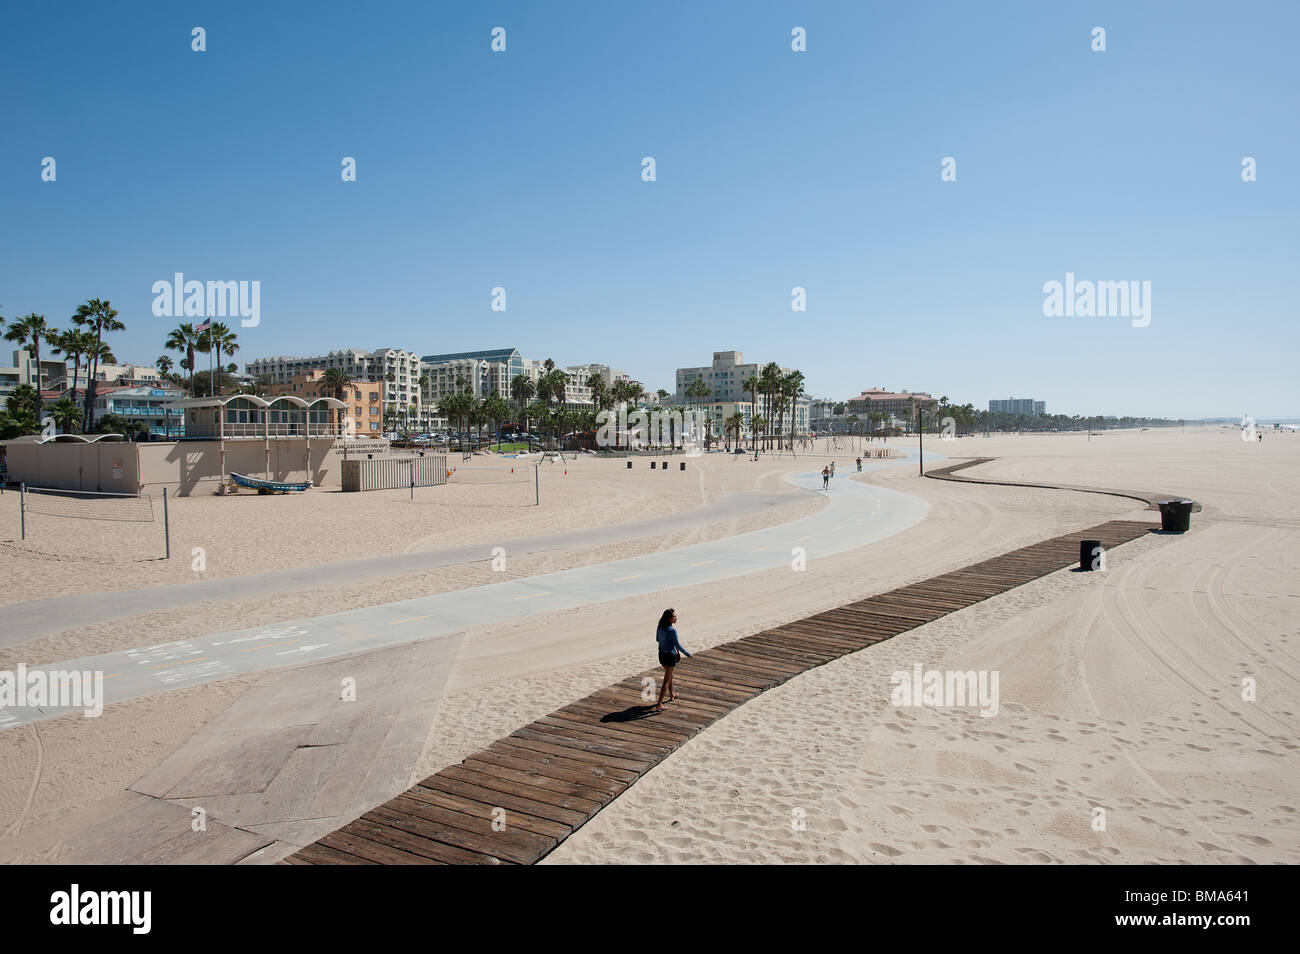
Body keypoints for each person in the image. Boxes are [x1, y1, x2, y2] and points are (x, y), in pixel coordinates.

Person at [654, 608, 691, 711]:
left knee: (670, 675)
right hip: (670, 656)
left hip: (661, 655)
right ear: (669, 619)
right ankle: (659, 704)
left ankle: (671, 695)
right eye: (674, 617)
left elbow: (657, 639)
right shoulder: (672, 630)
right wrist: (688, 654)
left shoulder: (660, 627)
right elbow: (677, 645)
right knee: (666, 680)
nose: (676, 618)